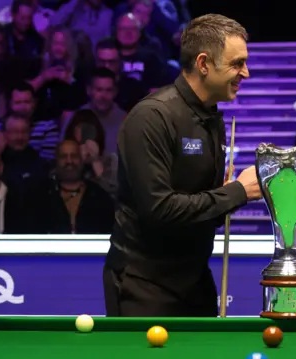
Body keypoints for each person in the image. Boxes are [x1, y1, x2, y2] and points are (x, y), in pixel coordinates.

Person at [102, 14, 262, 317]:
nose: (246, 72)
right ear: (203, 64)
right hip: (144, 284)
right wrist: (237, 193)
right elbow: (159, 210)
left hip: (195, 281)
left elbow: (200, 209)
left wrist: (227, 196)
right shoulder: (152, 117)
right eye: (237, 63)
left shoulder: (211, 117)